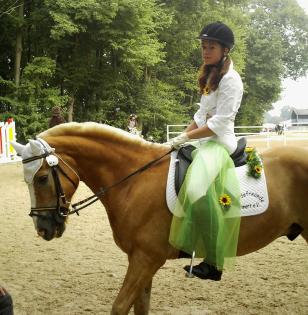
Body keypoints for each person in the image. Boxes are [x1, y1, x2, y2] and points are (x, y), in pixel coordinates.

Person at [167, 22, 243, 280]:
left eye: (211, 47)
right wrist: (179, 138)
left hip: (219, 143)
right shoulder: (211, 75)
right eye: (203, 46)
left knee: (197, 190)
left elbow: (218, 124)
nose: (206, 51)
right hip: (204, 139)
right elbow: (201, 117)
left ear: (225, 50)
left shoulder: (231, 80)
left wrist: (186, 136)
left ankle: (213, 262)